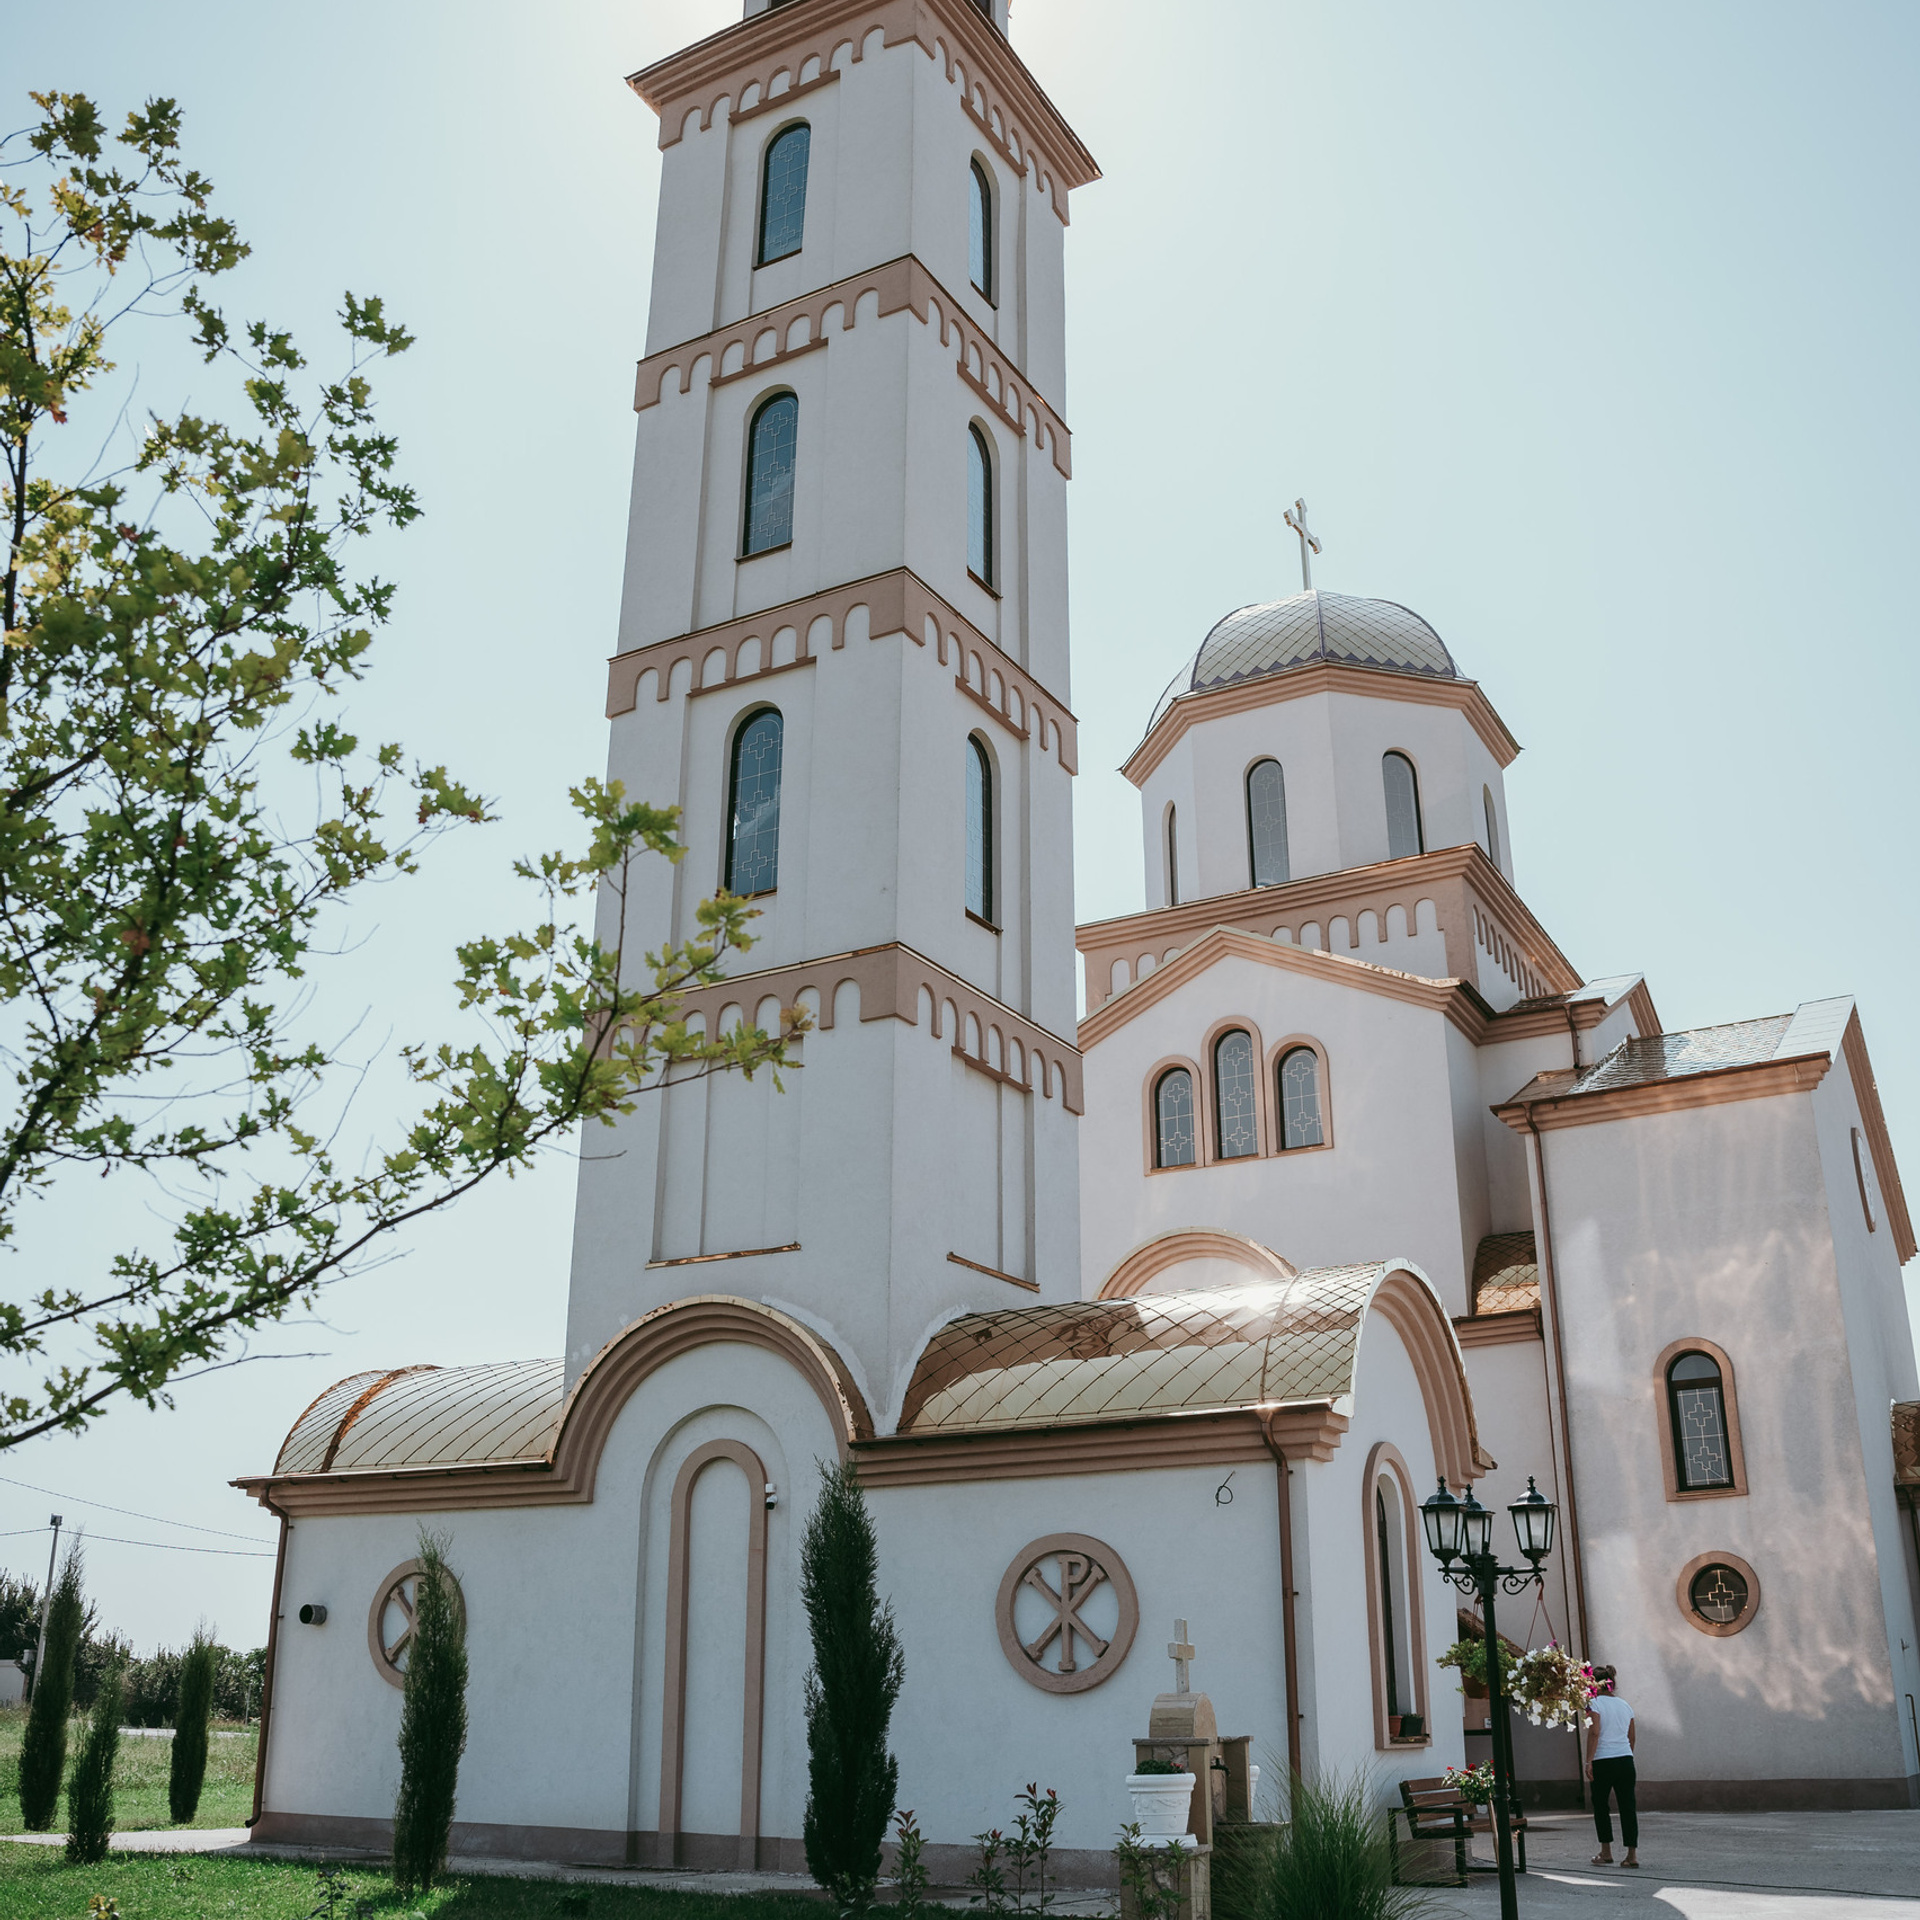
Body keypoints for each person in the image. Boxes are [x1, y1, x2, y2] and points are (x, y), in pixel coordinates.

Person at [1584, 1664, 1638, 1868]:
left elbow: (1594, 1733)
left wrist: (1589, 1760)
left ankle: (1606, 1852)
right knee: (1628, 1807)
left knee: (1600, 1806)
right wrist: (1625, 1755)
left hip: (1602, 1761)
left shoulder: (1594, 1703)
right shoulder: (1626, 1705)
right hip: (1625, 1760)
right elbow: (1631, 1737)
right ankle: (1632, 1855)